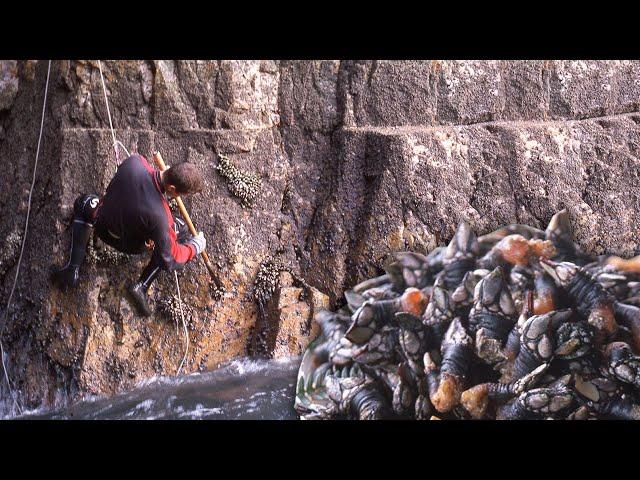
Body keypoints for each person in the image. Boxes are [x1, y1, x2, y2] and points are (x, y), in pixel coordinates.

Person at [50, 153, 207, 317]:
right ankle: (142, 286)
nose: (180, 197)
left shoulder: (135, 161)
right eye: (182, 194)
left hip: (100, 221)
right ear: (172, 189)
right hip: (127, 244)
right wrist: (194, 248)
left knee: (82, 203)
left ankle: (72, 268)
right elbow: (169, 259)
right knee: (178, 231)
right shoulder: (162, 218)